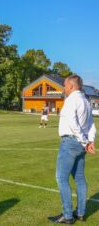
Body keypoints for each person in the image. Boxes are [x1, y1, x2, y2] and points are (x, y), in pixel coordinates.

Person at [48, 75, 96, 224]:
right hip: (81, 144)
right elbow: (91, 125)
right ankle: (80, 213)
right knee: (80, 178)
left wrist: (84, 140)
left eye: (64, 85)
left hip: (70, 142)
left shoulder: (71, 100)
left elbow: (73, 123)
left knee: (61, 178)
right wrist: (89, 141)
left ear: (71, 86)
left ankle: (67, 215)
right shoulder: (86, 101)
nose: (63, 88)